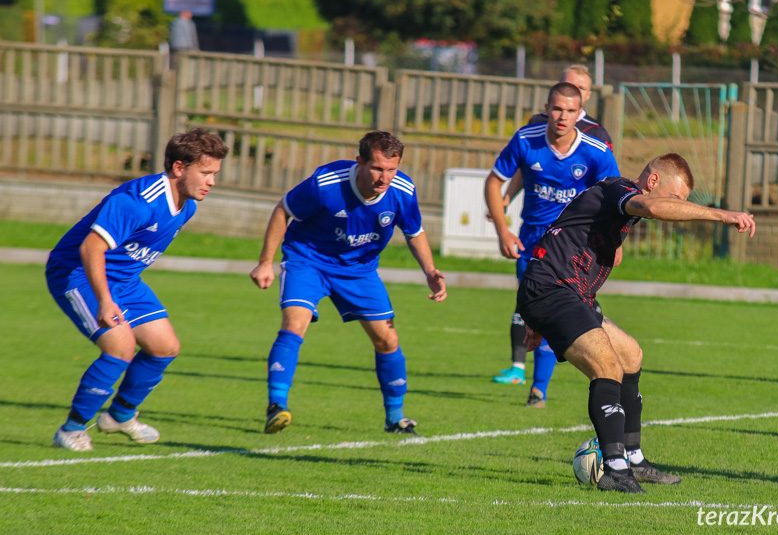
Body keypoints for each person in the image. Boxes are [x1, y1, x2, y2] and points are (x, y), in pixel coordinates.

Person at [518, 153, 756, 493]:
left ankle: (633, 458)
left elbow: (562, 238)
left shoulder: (616, 208)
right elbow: (655, 208)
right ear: (654, 182)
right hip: (552, 291)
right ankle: (614, 469)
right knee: (607, 366)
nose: (677, 207)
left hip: (566, 294)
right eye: (676, 198)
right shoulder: (618, 191)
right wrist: (721, 215)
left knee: (630, 355)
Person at [249, 131, 446, 436]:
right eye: (378, 168)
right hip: (308, 260)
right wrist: (266, 261)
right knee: (294, 323)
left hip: (359, 270)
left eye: (392, 169)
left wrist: (430, 271)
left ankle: (395, 418)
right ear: (360, 162)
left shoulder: (403, 191)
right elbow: (283, 210)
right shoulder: (326, 183)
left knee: (387, 340)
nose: (385, 177)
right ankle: (276, 406)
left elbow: (414, 231)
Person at [46, 129, 228, 452]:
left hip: (124, 280)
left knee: (165, 346)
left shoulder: (187, 206)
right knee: (120, 347)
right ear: (179, 168)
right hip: (79, 274)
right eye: (206, 173)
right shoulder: (136, 203)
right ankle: (72, 430)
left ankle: (119, 416)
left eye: (215, 173)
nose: (212, 181)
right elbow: (91, 249)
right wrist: (104, 301)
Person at [485, 81, 620, 407]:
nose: (562, 116)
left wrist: (614, 245)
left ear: (579, 113)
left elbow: (617, 198)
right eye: (557, 108)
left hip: (573, 250)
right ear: (547, 108)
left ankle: (539, 389)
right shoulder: (525, 140)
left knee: (547, 315)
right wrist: (504, 231)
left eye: (570, 110)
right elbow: (494, 181)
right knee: (535, 315)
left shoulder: (595, 151)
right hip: (531, 244)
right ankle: (535, 374)